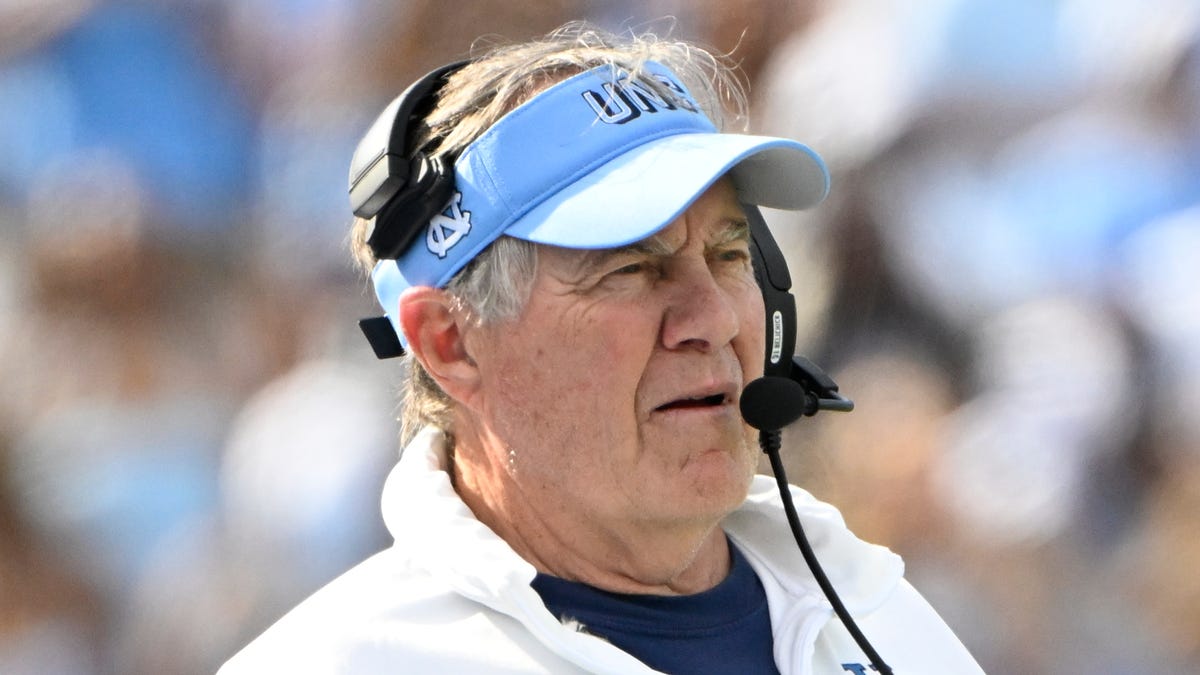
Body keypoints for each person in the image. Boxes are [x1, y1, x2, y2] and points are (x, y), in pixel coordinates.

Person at [219, 23, 984, 674]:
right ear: (451, 343)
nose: (713, 317)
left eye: (727, 255)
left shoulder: (872, 610)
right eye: (630, 269)